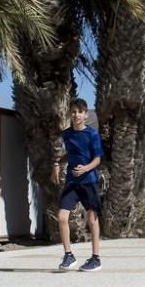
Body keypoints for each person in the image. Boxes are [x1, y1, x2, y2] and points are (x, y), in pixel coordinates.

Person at [52, 98, 104, 271]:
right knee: (61, 217)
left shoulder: (92, 134)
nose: (76, 115)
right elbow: (70, 154)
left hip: (89, 181)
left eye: (79, 112)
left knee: (91, 218)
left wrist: (86, 168)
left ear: (85, 114)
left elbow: (97, 159)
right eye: (73, 112)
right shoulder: (67, 134)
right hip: (72, 182)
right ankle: (69, 255)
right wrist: (57, 165)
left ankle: (95, 258)